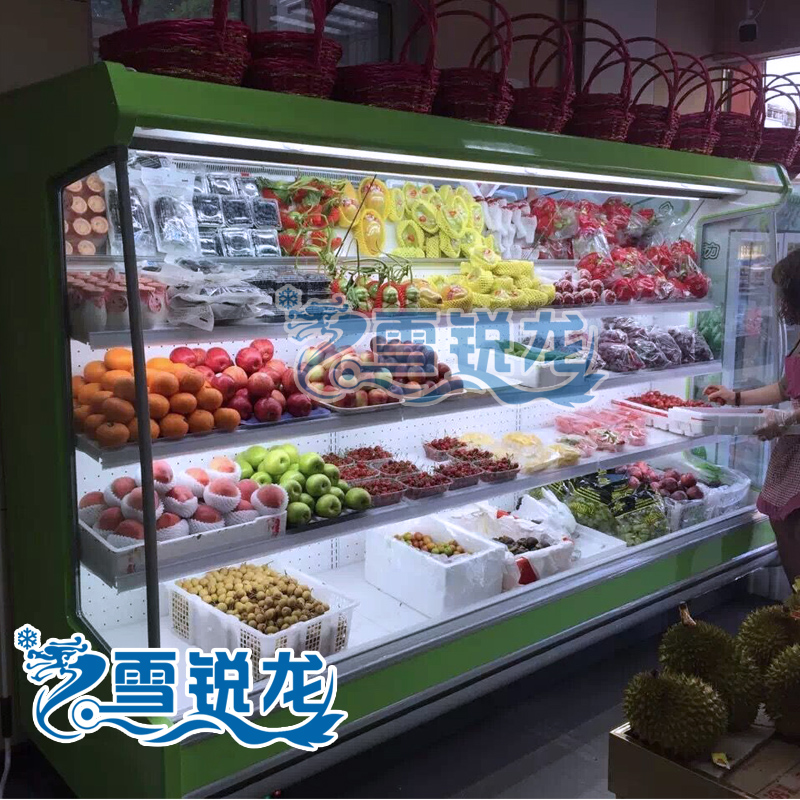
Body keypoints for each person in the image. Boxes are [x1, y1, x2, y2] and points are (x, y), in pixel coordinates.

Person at [705, 250, 800, 584]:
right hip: (793, 452)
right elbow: (786, 387)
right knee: (785, 526)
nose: (780, 304)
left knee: (794, 527)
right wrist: (736, 398)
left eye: (784, 294)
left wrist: (787, 419)